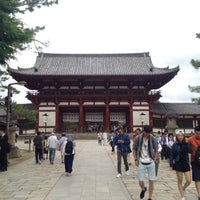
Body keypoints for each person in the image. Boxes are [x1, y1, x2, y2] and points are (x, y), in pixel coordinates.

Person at [132, 125, 158, 200]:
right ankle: (143, 189)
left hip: (150, 162)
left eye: (149, 133)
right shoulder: (138, 138)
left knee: (151, 181)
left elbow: (156, 149)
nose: (147, 134)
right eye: (146, 132)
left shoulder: (152, 138)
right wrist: (135, 159)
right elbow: (134, 149)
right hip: (141, 161)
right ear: (143, 131)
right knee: (140, 180)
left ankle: (150, 197)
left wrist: (154, 159)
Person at [169, 130, 193, 200]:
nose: (180, 137)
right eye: (179, 136)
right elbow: (172, 155)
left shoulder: (186, 144)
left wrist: (186, 143)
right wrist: (171, 165)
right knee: (180, 180)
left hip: (185, 163)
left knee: (188, 180)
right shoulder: (174, 145)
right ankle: (182, 196)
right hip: (178, 163)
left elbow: (190, 151)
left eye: (181, 135)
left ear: (183, 136)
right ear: (176, 137)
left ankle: (184, 188)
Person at [188, 125, 200, 200]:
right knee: (197, 178)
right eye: (197, 134)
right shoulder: (190, 140)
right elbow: (187, 150)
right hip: (195, 161)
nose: (199, 135)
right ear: (195, 132)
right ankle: (199, 194)